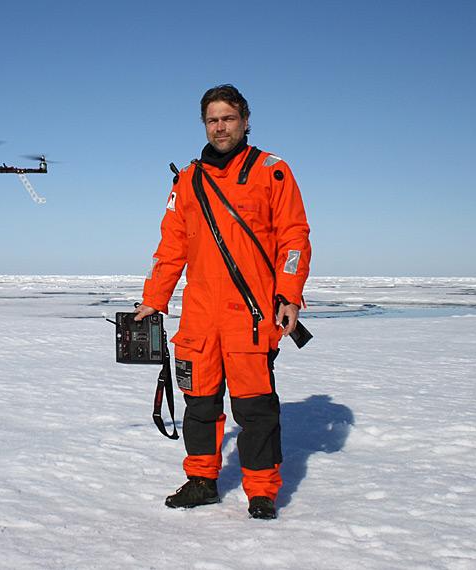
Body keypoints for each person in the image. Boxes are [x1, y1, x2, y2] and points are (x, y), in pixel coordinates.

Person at [135, 84, 311, 520]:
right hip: (199, 317)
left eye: (228, 118)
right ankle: (201, 481)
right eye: (213, 120)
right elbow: (170, 247)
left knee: (255, 409)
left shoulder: (273, 171)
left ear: (245, 121)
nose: (220, 127)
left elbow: (294, 238)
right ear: (204, 125)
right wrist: (153, 301)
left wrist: (289, 294)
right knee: (200, 404)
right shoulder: (188, 181)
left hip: (249, 316)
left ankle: (261, 491)